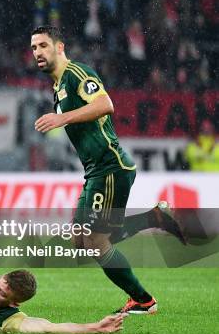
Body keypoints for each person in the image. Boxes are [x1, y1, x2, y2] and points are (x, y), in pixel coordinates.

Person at [30, 26, 186, 314]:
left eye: (43, 45)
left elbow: (106, 104)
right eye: (34, 48)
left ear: (59, 47)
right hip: (95, 171)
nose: (38, 52)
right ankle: (155, 217)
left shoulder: (78, 74)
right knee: (81, 240)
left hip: (110, 166)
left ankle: (143, 299)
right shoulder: (58, 86)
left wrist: (62, 118)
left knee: (96, 241)